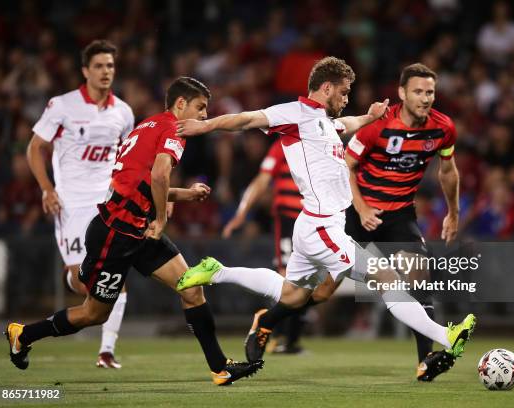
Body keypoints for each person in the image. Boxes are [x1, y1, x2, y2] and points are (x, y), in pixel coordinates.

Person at [175, 57, 476, 367]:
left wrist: (371, 117)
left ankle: (217, 271)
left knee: (292, 294)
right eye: (343, 93)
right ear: (327, 87)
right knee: (387, 279)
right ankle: (446, 336)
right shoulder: (294, 113)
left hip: (316, 224)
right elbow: (245, 119)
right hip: (322, 226)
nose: (346, 99)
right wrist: (205, 125)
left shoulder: (325, 121)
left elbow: (349, 124)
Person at [6, 77, 263, 386]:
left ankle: (220, 368)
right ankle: (23, 334)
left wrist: (185, 194)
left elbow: (142, 183)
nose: (205, 115)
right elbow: (158, 176)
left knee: (192, 289)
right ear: (181, 105)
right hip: (115, 234)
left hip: (135, 229)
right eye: (201, 107)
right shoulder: (173, 130)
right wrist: (161, 220)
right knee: (93, 314)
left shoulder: (148, 126)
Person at [345, 63, 461, 381]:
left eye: (430, 92)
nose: (425, 98)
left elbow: (448, 170)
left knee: (418, 279)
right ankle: (269, 321)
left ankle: (427, 361)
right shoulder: (377, 124)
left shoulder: (443, 128)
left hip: (399, 214)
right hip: (356, 214)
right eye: (418, 92)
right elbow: (346, 164)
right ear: (402, 93)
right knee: (319, 290)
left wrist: (454, 212)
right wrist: (362, 207)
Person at [26, 40, 134, 368]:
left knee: (115, 278)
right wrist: (47, 189)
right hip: (71, 205)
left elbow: (128, 159)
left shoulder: (124, 113)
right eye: (99, 66)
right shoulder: (62, 106)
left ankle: (107, 351)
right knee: (85, 281)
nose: (106, 72)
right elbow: (34, 149)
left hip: (107, 203)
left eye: (110, 66)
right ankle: (68, 279)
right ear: (85, 70)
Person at [223, 140, 308, 354]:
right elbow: (262, 181)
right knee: (288, 278)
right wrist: (242, 213)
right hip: (289, 220)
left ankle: (287, 338)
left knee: (315, 283)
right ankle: (278, 336)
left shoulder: (324, 140)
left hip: (317, 222)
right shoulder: (283, 146)